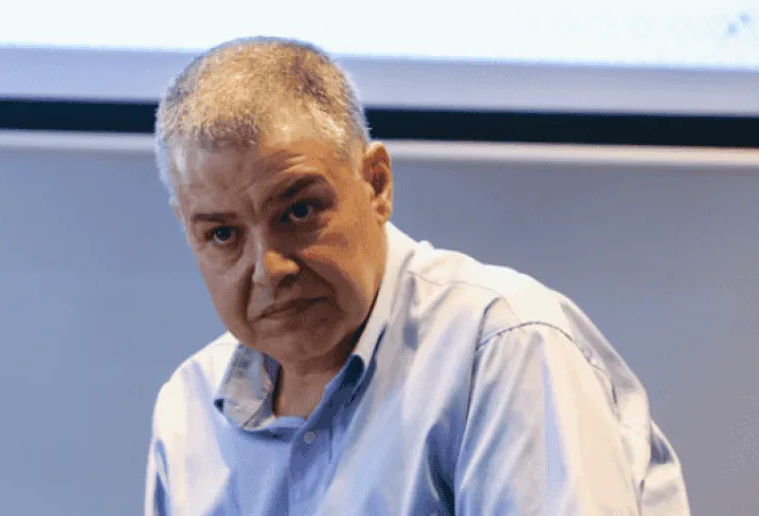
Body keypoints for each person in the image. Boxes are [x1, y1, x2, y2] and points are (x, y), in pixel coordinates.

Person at [144, 37, 690, 516]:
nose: (270, 270)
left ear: (376, 184)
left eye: (300, 212)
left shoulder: (503, 346)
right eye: (223, 234)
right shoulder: (189, 407)